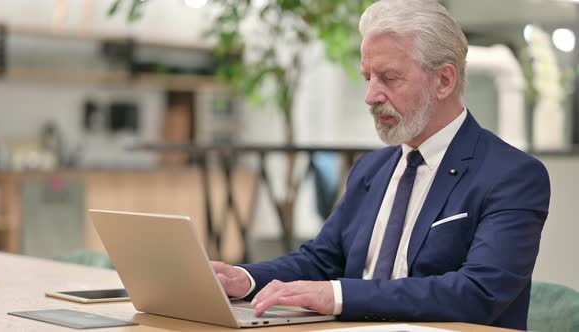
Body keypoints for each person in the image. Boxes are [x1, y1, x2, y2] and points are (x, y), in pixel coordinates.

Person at [212, 0, 550, 330]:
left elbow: (477, 293)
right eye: (368, 78)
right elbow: (321, 259)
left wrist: (339, 295)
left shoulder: (512, 175)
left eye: (388, 78)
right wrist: (245, 279)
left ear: (444, 81)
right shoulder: (371, 169)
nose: (371, 96)